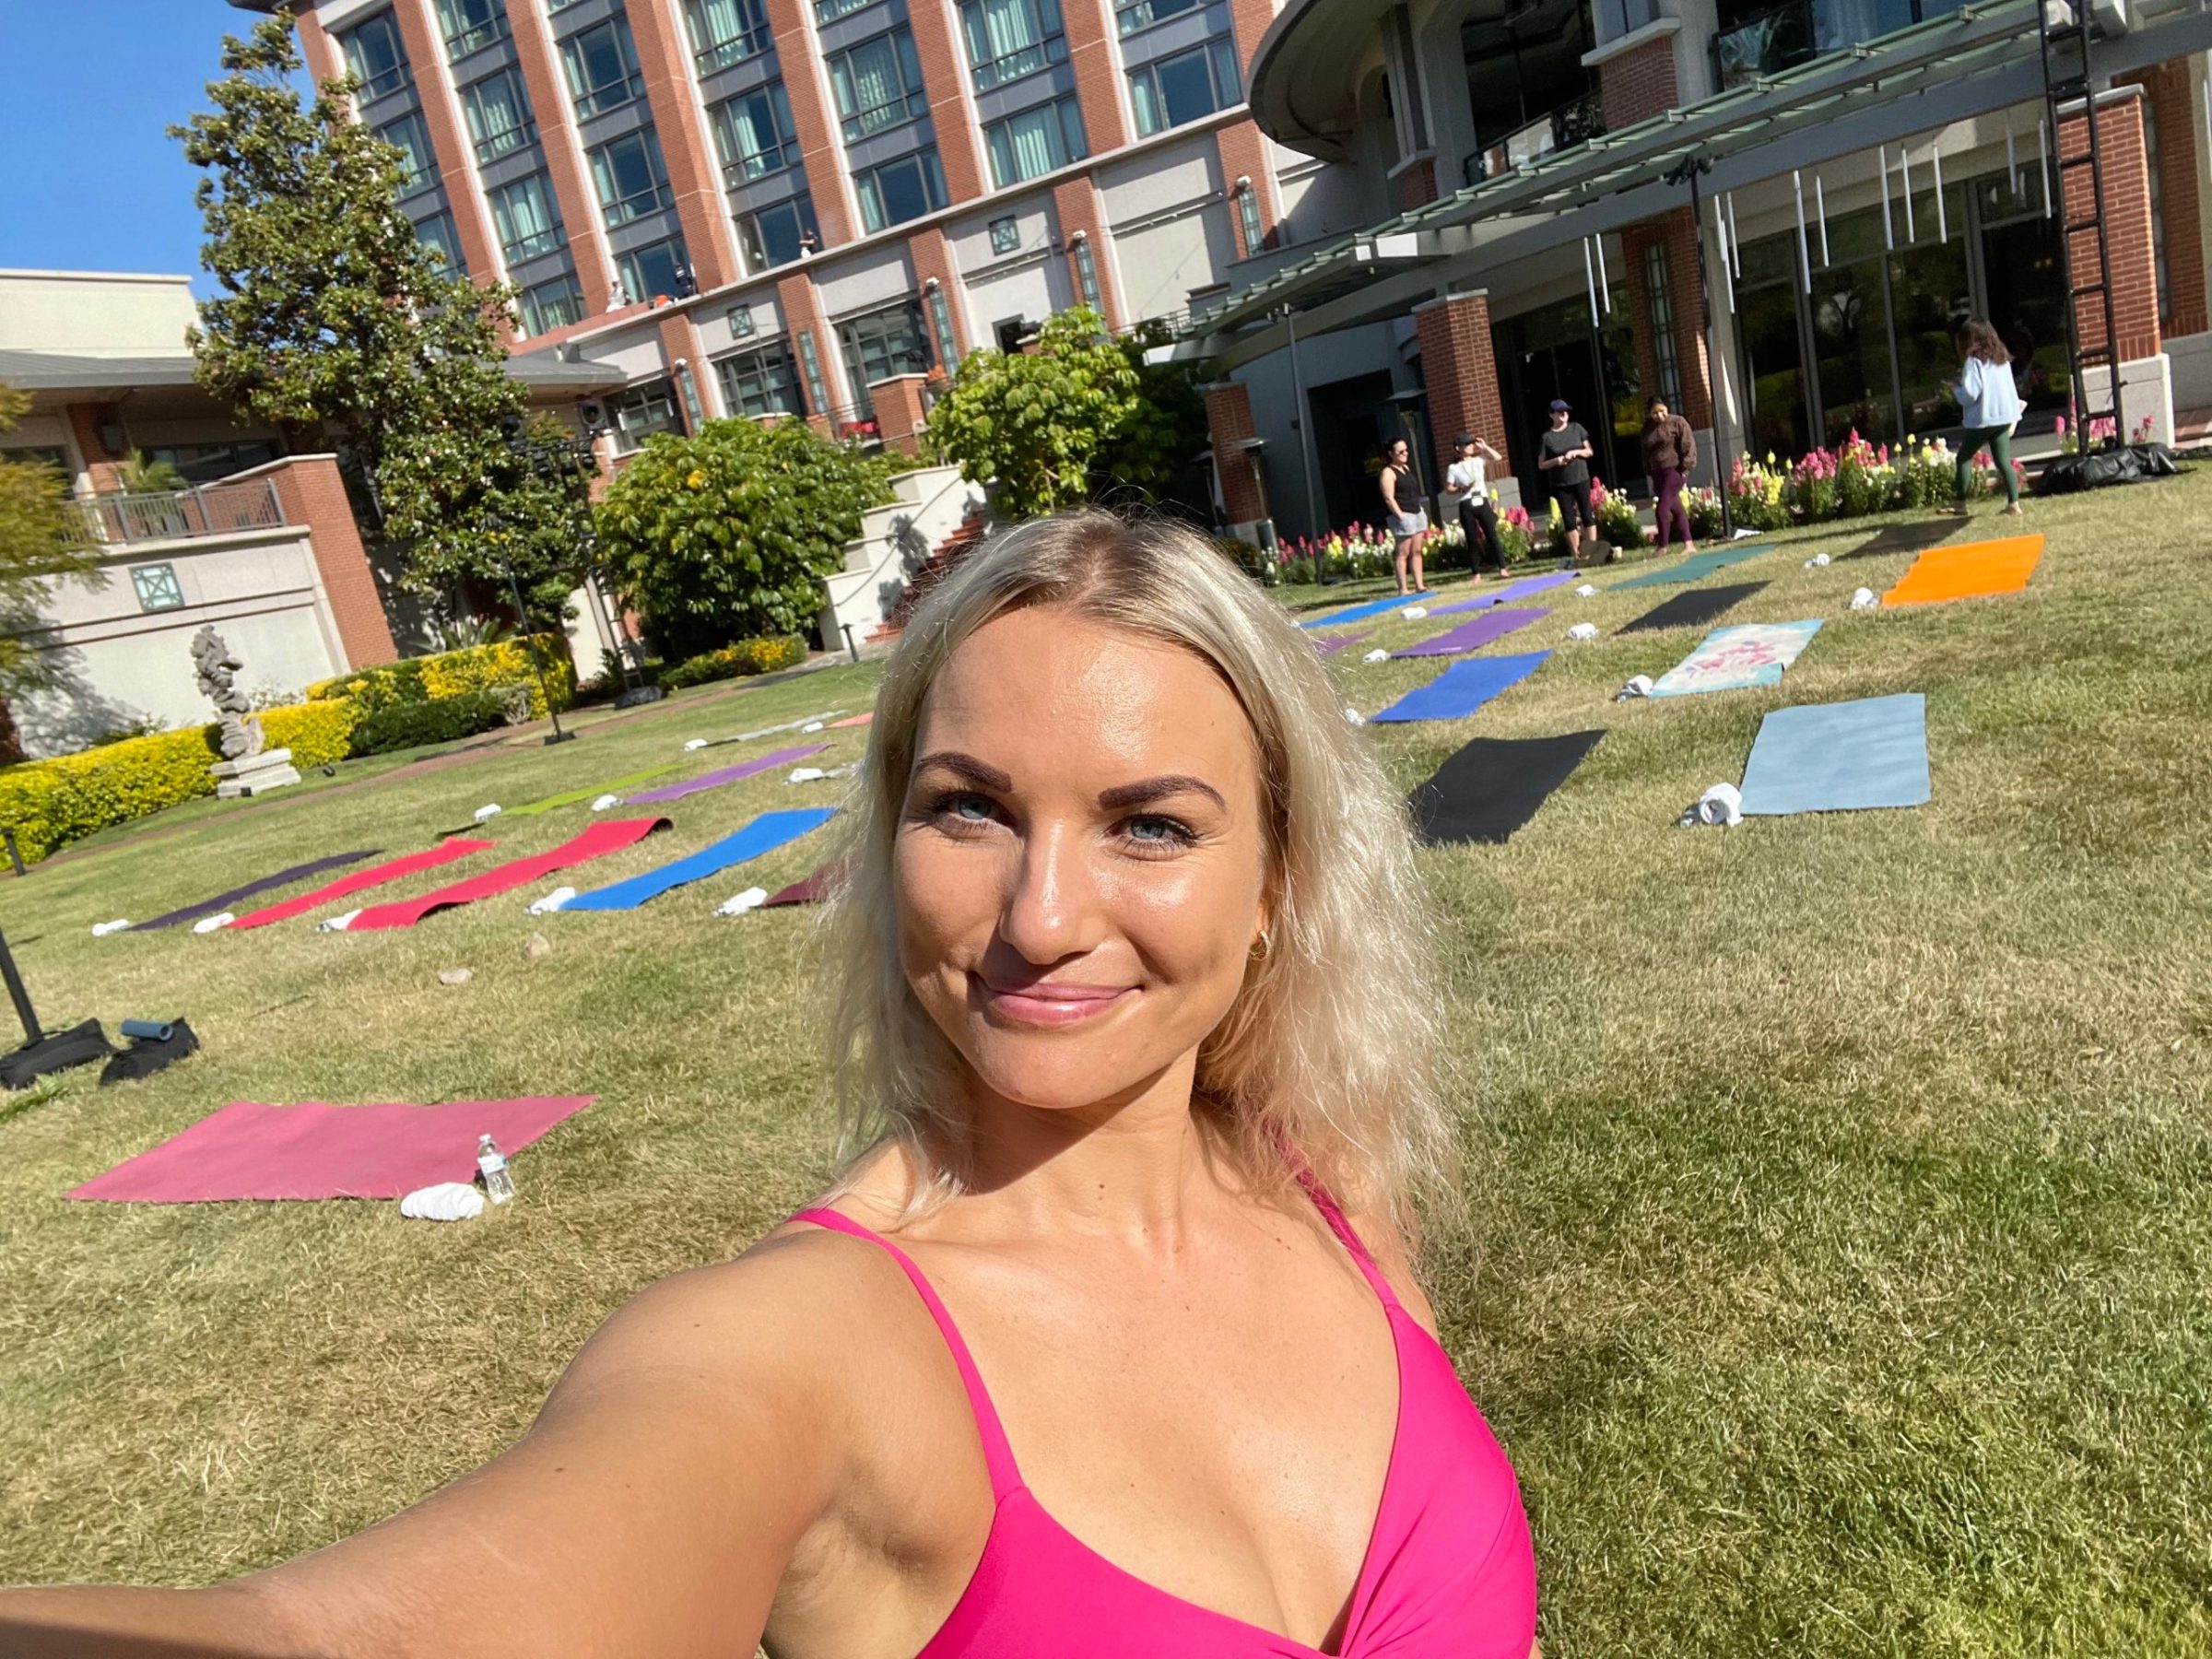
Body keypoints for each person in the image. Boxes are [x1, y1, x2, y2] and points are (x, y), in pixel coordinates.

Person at [3, 514, 1539, 1659]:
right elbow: (351, 1639)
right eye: (970, 812)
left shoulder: (1323, 1167)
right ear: (888, 843)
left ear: (1276, 877)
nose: (1044, 915)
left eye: (1150, 826)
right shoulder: (812, 1347)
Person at [1946, 317, 2024, 517]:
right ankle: (2014, 504)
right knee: (2003, 461)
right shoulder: (2001, 357)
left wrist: (1956, 388)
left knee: (1963, 458)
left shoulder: (1973, 362)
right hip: (2005, 416)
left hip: (1984, 420)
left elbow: (1971, 394)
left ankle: (1960, 503)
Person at [1535, 399, 1600, 563]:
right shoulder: (1547, 437)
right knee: (1569, 519)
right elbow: (1541, 464)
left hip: (1581, 477)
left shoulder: (1576, 428)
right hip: (1561, 483)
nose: (1564, 414)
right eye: (1560, 411)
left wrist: (1575, 452)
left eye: (1566, 411)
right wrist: (1556, 461)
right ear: (1552, 414)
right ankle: (1577, 556)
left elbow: (1589, 451)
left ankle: (1591, 552)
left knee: (1587, 514)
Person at [1444, 431, 1508, 580]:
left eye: (1472, 443)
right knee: (1472, 539)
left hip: (1482, 501)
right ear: (1458, 448)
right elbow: (1448, 488)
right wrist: (1461, 488)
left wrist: (1484, 446)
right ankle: (1476, 572)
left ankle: (1503, 568)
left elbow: (1498, 457)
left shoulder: (1479, 460)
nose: (1471, 446)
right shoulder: (1454, 468)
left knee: (1492, 535)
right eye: (1467, 444)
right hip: (1466, 504)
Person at [1641, 396, 1698, 557]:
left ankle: (1662, 546)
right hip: (1657, 473)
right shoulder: (1647, 428)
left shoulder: (1678, 422)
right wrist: (1648, 469)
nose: (1659, 415)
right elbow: (1645, 451)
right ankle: (1689, 544)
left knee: (1662, 509)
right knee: (1677, 509)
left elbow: (1688, 444)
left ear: (1667, 408)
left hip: (1675, 471)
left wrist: (1686, 465)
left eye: (1662, 411)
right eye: (1654, 413)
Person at [1379, 435, 1430, 595]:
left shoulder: (1406, 468)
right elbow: (1389, 497)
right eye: (1400, 451)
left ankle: (1419, 585)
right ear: (1391, 454)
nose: (1405, 453)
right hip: (1402, 516)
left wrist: (1420, 510)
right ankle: (1403, 588)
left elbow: (1413, 492)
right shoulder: (1388, 472)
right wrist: (1400, 515)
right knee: (1403, 553)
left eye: (1406, 450)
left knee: (1416, 551)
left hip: (1416, 512)